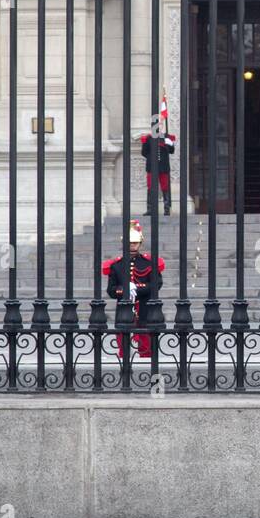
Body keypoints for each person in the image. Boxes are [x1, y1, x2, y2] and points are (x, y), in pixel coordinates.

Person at [103, 219, 165, 359]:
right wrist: (124, 290)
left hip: (144, 306)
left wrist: (136, 288)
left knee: (146, 343)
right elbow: (111, 290)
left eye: (135, 243)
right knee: (122, 342)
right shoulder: (117, 265)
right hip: (124, 307)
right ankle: (124, 364)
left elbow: (156, 284)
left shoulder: (149, 262)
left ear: (140, 243)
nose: (132, 245)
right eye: (129, 242)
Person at [140, 130, 177, 215]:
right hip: (152, 166)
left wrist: (170, 144)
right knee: (150, 187)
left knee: (165, 187)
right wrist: (152, 157)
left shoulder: (166, 137)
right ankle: (150, 209)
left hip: (163, 166)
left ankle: (167, 209)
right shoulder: (148, 138)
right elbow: (144, 152)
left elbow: (171, 151)